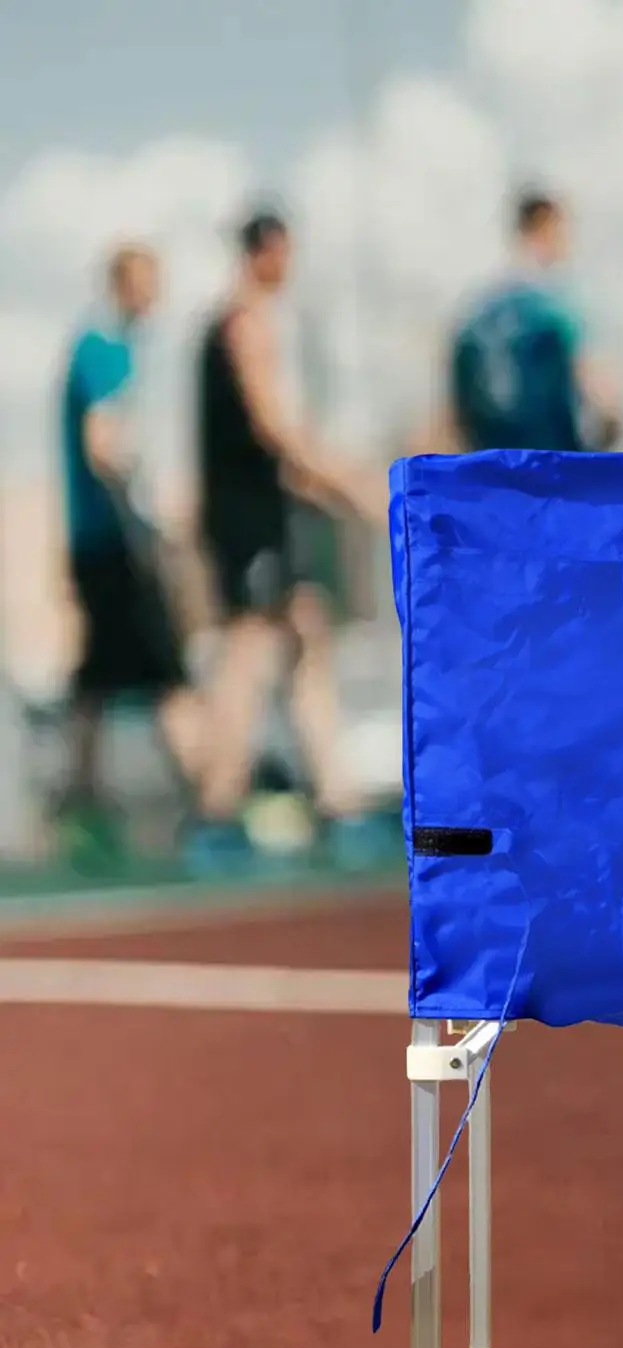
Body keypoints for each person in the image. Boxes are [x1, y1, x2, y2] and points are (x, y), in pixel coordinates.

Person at [190, 207, 388, 873]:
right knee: (248, 652)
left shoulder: (245, 321)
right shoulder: (244, 321)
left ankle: (341, 801)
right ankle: (216, 812)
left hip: (267, 510)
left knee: (307, 633)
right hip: (245, 520)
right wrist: (349, 482)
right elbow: (272, 425)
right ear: (266, 252)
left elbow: (277, 444)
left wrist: (327, 483)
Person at [56, 243, 209, 865]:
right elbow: (103, 443)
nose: (157, 296)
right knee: (167, 672)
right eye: (150, 282)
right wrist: (151, 519)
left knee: (96, 679)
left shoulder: (101, 348)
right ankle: (213, 800)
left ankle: (80, 801)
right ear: (126, 284)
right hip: (117, 543)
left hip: (97, 542)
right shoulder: (104, 350)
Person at [443, 188, 623, 455]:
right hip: (554, 467)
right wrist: (611, 423)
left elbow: (454, 414)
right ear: (547, 227)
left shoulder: (475, 315)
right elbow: (598, 388)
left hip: (495, 472)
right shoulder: (556, 306)